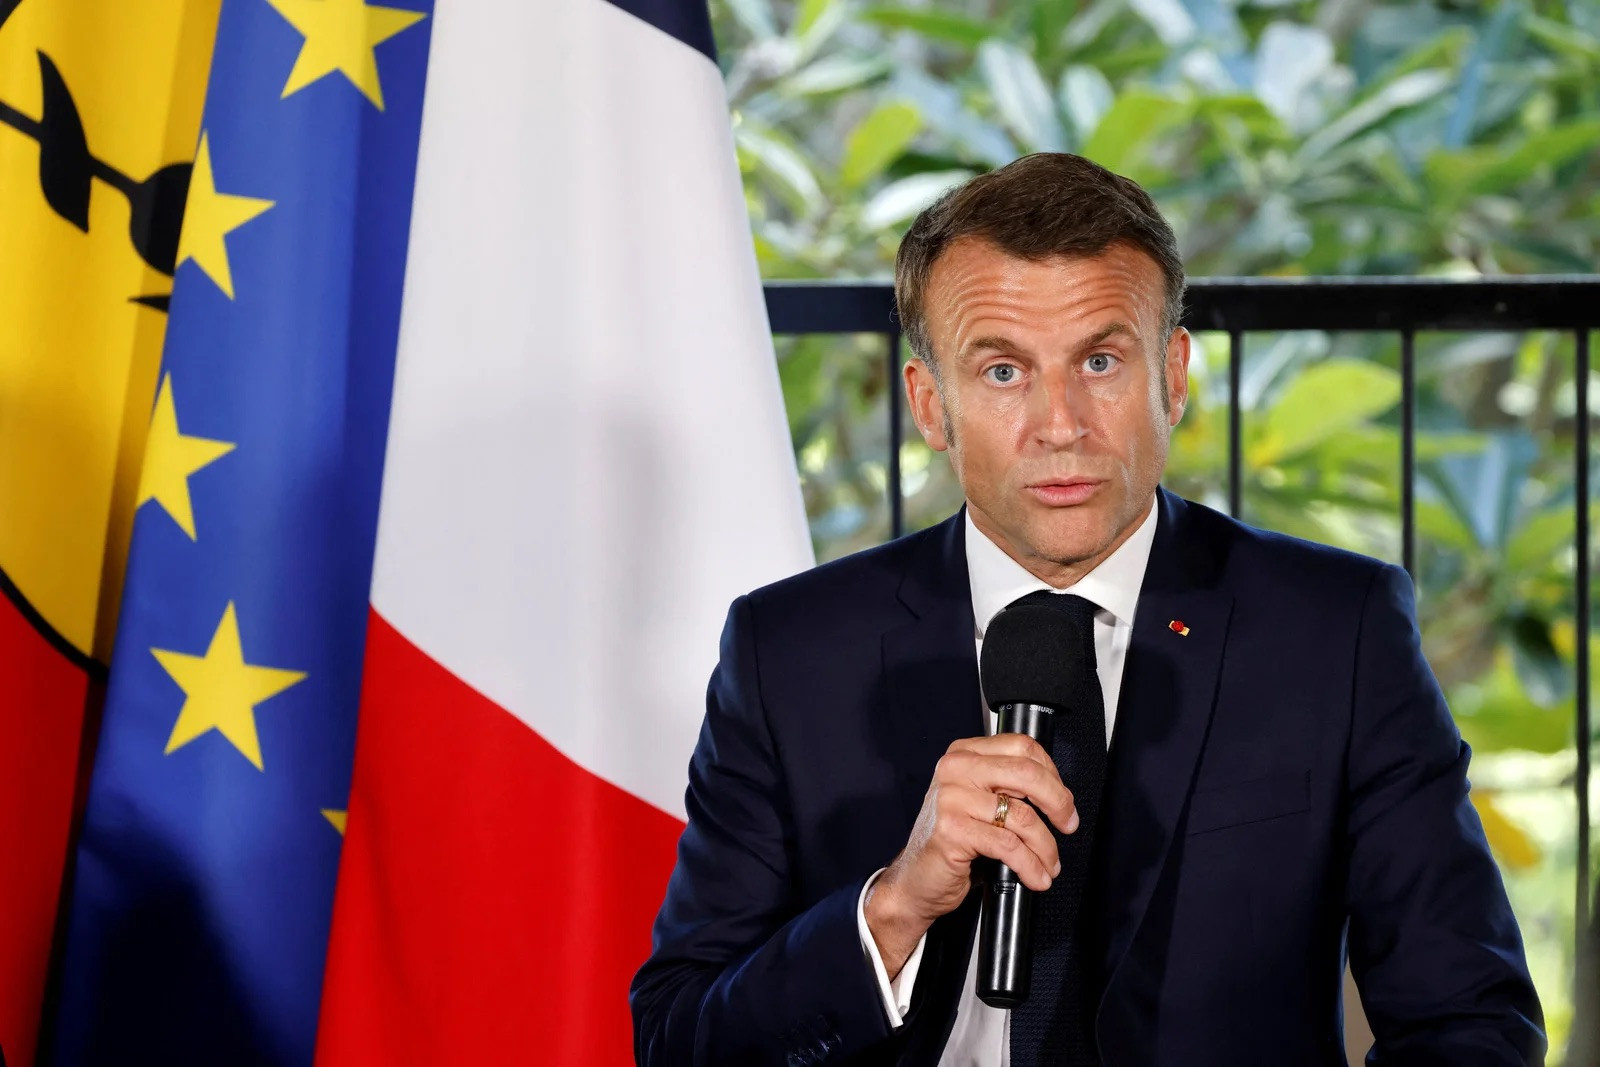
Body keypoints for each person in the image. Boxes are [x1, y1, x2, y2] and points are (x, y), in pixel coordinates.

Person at [629, 152, 1545, 1066]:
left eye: (1100, 361)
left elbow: (1472, 1020)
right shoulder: (789, 651)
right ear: (930, 406)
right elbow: (678, 1038)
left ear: (1172, 378)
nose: (1061, 424)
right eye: (1002, 371)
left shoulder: (1333, 632)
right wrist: (896, 906)